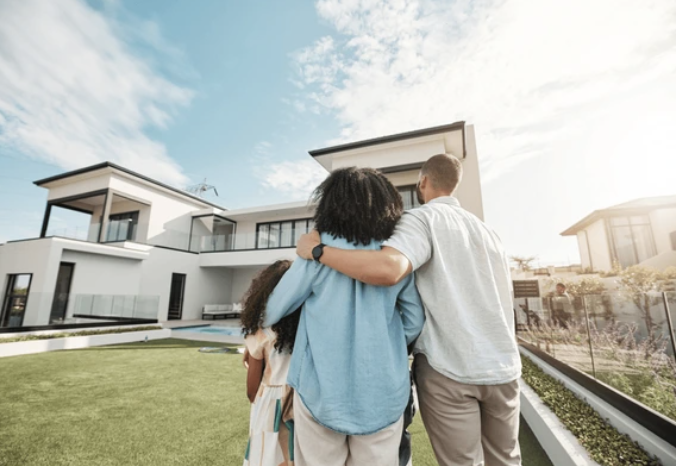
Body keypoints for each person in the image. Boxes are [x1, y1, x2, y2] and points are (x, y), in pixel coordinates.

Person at [296, 154, 522, 466]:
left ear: (423, 182)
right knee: (507, 460)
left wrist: (317, 250)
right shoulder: (489, 232)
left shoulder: (421, 219)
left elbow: (389, 268)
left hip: (450, 366)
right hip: (504, 367)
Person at [263, 167, 425, 466]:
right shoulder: (392, 255)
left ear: (329, 203)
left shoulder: (315, 253)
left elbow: (272, 310)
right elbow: (414, 320)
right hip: (383, 392)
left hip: (319, 390)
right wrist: (385, 342)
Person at [241, 260, 301, 466]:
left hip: (270, 403)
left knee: (266, 456)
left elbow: (251, 391)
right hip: (304, 400)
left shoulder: (261, 332)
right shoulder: (310, 326)